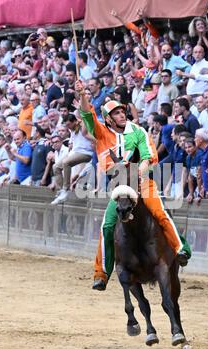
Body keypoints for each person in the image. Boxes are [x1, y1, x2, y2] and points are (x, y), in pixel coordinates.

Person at [75, 81, 191, 291]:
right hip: (119, 184)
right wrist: (82, 94)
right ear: (109, 118)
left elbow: (148, 155)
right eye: (116, 113)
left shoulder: (138, 131)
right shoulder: (101, 132)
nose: (121, 115)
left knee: (160, 213)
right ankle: (101, 273)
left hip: (142, 181)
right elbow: (87, 114)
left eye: (122, 112)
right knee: (107, 226)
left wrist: (141, 169)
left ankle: (180, 249)